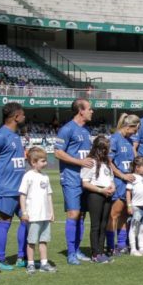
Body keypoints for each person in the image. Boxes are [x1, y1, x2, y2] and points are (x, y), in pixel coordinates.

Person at [0, 102, 27, 270]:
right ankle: (1, 260)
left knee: (26, 220)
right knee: (5, 222)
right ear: (16, 117)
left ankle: (21, 257)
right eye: (22, 114)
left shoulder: (16, 135)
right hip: (7, 187)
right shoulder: (0, 136)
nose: (25, 117)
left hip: (21, 189)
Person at [54, 99, 94, 265]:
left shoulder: (86, 130)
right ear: (81, 111)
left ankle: (77, 250)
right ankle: (71, 253)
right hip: (71, 177)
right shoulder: (67, 129)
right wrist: (80, 162)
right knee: (74, 213)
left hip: (85, 178)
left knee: (82, 215)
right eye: (90, 109)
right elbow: (57, 153)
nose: (92, 111)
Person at [19, 146, 57, 274]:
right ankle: (30, 264)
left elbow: (49, 195)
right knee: (31, 241)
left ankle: (44, 263)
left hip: (45, 215)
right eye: (42, 161)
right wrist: (24, 212)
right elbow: (22, 195)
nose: (45, 163)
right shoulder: (28, 176)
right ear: (33, 162)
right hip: (33, 215)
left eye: (45, 160)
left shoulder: (45, 177)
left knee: (43, 240)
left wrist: (51, 212)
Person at [107, 113, 140, 256]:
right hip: (119, 182)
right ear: (128, 126)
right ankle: (110, 245)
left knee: (125, 214)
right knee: (115, 214)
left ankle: (121, 244)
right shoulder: (114, 139)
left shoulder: (129, 140)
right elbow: (108, 162)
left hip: (128, 182)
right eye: (135, 129)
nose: (135, 133)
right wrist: (122, 175)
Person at [80, 135, 116, 264]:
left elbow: (110, 178)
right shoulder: (90, 162)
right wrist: (101, 190)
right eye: (105, 149)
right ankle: (95, 253)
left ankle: (101, 251)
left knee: (104, 224)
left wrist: (112, 186)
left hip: (107, 194)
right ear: (99, 148)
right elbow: (85, 183)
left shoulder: (107, 162)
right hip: (95, 194)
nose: (108, 151)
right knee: (96, 225)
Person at [126, 156, 143, 256]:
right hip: (136, 207)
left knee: (142, 229)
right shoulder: (133, 177)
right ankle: (133, 249)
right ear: (137, 167)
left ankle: (141, 247)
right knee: (134, 228)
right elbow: (128, 192)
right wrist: (129, 205)